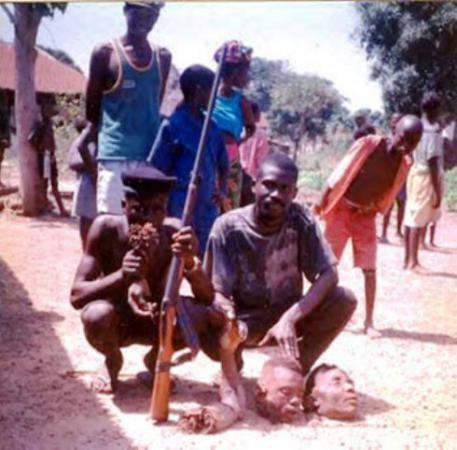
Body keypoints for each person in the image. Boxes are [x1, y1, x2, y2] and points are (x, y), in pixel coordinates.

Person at [203, 152, 357, 413]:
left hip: (288, 318)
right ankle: (232, 365)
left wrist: (290, 318)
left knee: (344, 299)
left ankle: (292, 372)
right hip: (243, 321)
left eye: (284, 189)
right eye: (269, 185)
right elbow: (217, 291)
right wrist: (228, 320)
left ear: (294, 193)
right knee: (202, 315)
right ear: (254, 185)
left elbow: (329, 274)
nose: (275, 194)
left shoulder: (300, 219)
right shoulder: (227, 227)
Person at [69, 166, 214, 393]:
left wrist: (189, 262)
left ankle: (156, 360)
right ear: (123, 206)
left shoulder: (174, 234)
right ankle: (112, 359)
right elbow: (77, 295)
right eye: (139, 209)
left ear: (166, 210)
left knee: (199, 315)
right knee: (96, 315)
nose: (148, 217)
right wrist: (121, 276)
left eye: (157, 210)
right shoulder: (105, 229)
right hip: (116, 320)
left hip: (156, 320)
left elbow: (207, 297)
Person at [315, 115, 423, 337]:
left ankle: (369, 322)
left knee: (370, 270)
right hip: (342, 211)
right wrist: (322, 198)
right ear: (394, 130)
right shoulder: (369, 144)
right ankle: (315, 313)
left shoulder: (404, 163)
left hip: (365, 217)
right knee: (327, 265)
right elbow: (341, 171)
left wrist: (375, 207)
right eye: (403, 138)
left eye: (412, 143)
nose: (405, 146)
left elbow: (391, 190)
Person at [85, 1, 171, 215]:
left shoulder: (162, 57)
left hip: (149, 158)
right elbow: (92, 110)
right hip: (115, 157)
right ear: (125, 11)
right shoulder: (105, 53)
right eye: (138, 13)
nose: (144, 20)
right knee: (112, 223)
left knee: (144, 226)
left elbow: (154, 103)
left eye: (150, 15)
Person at [148, 65, 229, 255]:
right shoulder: (172, 126)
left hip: (207, 212)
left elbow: (224, 164)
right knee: (176, 258)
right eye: (212, 92)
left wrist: (222, 191)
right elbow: (157, 171)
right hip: (178, 209)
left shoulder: (212, 128)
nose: (215, 99)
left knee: (203, 260)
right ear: (199, 91)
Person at [212, 40, 256, 210]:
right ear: (234, 71)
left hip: (230, 159)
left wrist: (237, 142)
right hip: (207, 157)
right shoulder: (208, 95)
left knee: (227, 207)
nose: (247, 76)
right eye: (245, 71)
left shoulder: (241, 101)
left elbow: (250, 128)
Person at [404, 93, 443, 271]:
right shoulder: (432, 132)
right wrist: (437, 191)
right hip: (425, 176)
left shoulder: (415, 126)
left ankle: (407, 260)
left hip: (413, 173)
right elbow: (433, 161)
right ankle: (413, 262)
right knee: (417, 219)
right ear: (435, 109)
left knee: (410, 215)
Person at [28, 97, 69, 217]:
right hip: (45, 156)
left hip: (50, 156)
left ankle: (59, 209)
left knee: (53, 183)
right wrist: (41, 150)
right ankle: (48, 208)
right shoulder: (42, 125)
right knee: (46, 184)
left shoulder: (48, 124)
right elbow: (31, 139)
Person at [69, 117, 98, 248]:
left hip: (98, 183)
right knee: (86, 223)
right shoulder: (80, 143)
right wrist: (91, 164)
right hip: (86, 185)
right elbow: (72, 162)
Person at [380, 113, 407, 243]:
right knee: (388, 205)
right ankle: (384, 233)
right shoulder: (387, 138)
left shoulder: (406, 139)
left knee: (401, 204)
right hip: (388, 177)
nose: (395, 123)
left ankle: (398, 232)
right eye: (393, 120)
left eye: (398, 121)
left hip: (401, 176)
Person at [239, 101, 269, 206]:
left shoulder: (235, 130)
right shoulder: (261, 134)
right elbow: (261, 161)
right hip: (250, 179)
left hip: (233, 174)